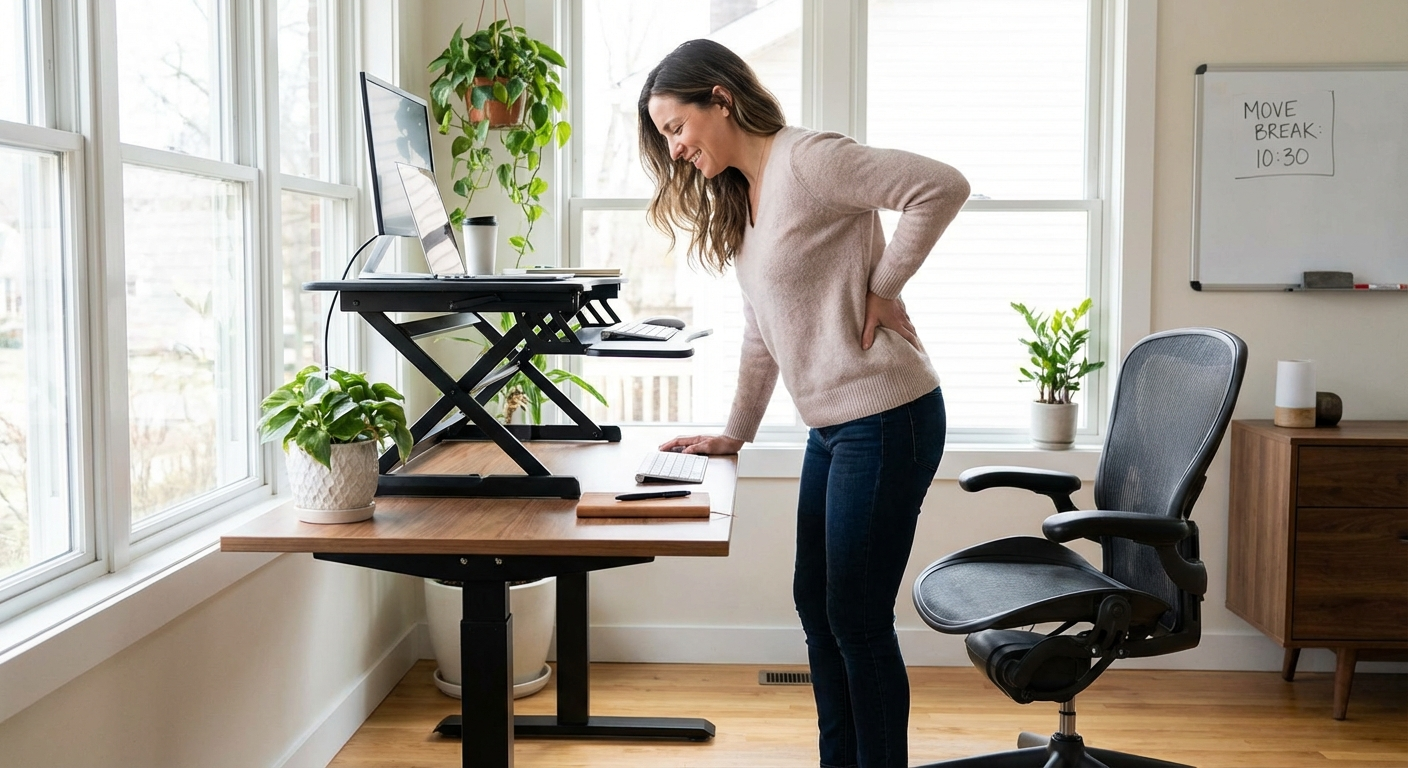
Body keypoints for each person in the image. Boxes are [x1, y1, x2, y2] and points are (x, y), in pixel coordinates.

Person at [639, 39, 969, 768]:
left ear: (720, 97)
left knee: (855, 616)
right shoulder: (746, 199)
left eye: (676, 127)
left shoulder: (808, 159)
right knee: (819, 608)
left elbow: (940, 185)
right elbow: (764, 332)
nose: (675, 149)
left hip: (887, 415)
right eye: (665, 137)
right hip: (834, 427)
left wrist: (883, 286)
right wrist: (735, 432)